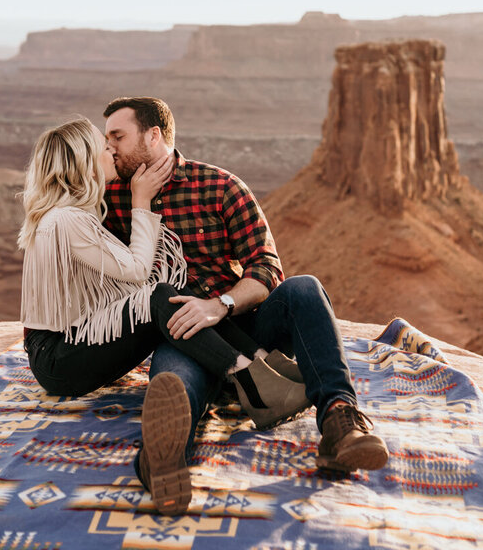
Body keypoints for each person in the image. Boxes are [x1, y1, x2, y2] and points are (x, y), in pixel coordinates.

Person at [17, 117, 307, 516]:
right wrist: (140, 201)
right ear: (83, 161)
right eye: (103, 147)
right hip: (58, 359)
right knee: (160, 295)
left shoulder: (65, 215)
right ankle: (249, 375)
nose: (111, 151)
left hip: (63, 348)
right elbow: (137, 271)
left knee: (177, 294)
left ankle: (261, 370)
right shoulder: (68, 221)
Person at [102, 97, 389, 480]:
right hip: (181, 338)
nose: (109, 148)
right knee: (171, 389)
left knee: (304, 289)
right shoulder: (113, 199)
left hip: (245, 328)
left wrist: (220, 304)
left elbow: (267, 268)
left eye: (117, 137)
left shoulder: (220, 186)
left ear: (153, 136)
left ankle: (341, 422)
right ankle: (163, 463)